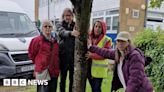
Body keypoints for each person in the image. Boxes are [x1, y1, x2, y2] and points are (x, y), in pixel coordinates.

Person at [88, 31, 153, 92]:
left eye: (123, 41)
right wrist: (90, 47)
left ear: (128, 42)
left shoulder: (134, 56)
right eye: (118, 41)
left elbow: (135, 79)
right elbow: (105, 52)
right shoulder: (118, 53)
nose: (120, 43)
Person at [28, 20, 59, 92]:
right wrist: (39, 63)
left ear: (52, 28)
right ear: (42, 28)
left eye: (49, 26)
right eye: (45, 26)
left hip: (54, 71)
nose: (47, 28)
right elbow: (31, 54)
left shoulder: (55, 41)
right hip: (42, 71)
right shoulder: (36, 40)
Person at [55, 8, 80, 92]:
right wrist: (71, 33)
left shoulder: (76, 25)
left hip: (73, 57)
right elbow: (61, 32)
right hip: (63, 57)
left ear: (72, 16)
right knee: (63, 79)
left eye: (69, 15)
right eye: (66, 15)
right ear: (63, 16)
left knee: (72, 80)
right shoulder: (59, 25)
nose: (67, 17)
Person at [86, 20, 112, 92]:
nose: (97, 28)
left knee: (96, 89)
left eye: (99, 27)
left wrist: (92, 55)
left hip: (99, 71)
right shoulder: (89, 37)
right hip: (88, 69)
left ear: (103, 29)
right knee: (93, 89)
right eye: (96, 26)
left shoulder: (107, 40)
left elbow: (105, 55)